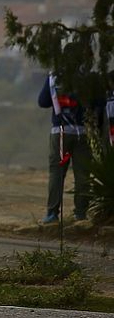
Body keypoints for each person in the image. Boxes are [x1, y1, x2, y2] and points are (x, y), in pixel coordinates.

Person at [37, 73, 92, 223]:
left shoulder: (53, 78)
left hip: (60, 132)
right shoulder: (87, 77)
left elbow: (42, 102)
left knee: (57, 172)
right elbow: (98, 103)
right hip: (83, 132)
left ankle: (52, 213)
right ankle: (81, 213)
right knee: (82, 173)